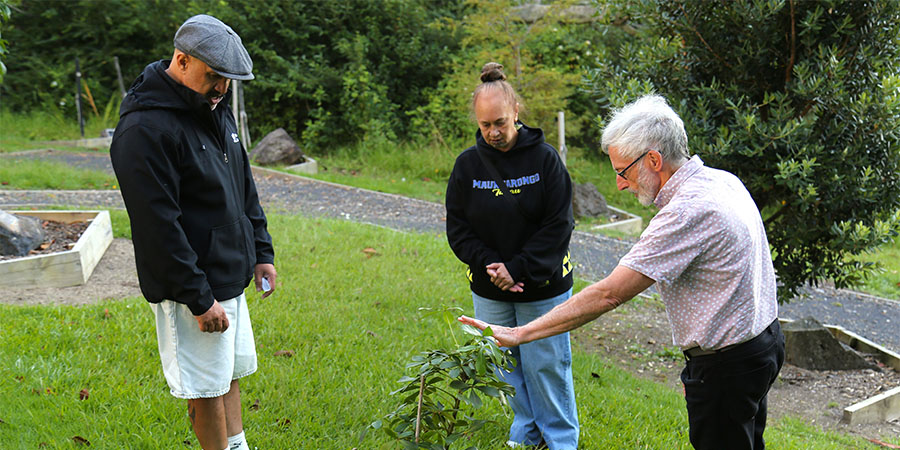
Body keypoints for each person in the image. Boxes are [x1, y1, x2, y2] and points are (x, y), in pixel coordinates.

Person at [461, 94, 785, 450]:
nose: (619, 184)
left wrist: (521, 334)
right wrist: (701, 367)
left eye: (623, 171)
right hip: (761, 343)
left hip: (730, 363)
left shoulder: (687, 212)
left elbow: (609, 293)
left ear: (653, 160)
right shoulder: (721, 181)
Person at [109, 14, 276, 450]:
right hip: (192, 289)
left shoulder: (213, 110)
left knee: (230, 375)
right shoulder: (145, 130)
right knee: (205, 391)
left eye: (229, 80)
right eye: (214, 76)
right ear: (181, 61)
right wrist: (199, 299)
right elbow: (156, 228)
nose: (222, 88)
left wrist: (261, 250)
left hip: (230, 272)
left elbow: (243, 185)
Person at [446, 62, 578, 449]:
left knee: (547, 366)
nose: (493, 132)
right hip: (490, 288)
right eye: (485, 125)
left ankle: (560, 441)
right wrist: (492, 266)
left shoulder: (546, 160)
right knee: (505, 367)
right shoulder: (467, 166)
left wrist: (517, 267)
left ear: (516, 111)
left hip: (543, 286)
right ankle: (526, 434)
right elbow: (458, 228)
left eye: (500, 122)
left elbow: (558, 226)